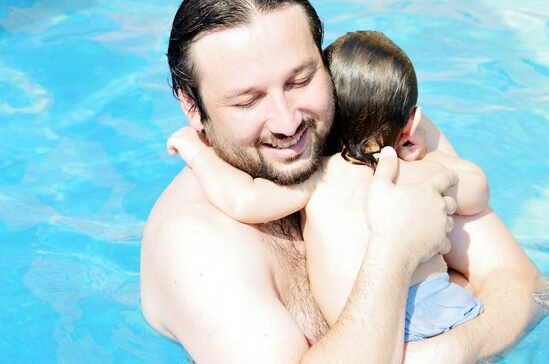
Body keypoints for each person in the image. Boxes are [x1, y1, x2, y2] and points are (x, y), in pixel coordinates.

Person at [140, 0, 549, 364]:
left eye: (300, 80)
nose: (286, 122)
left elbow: (530, 289)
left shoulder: (368, 134)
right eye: (247, 100)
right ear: (191, 107)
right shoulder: (194, 239)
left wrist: (441, 359)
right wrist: (396, 249)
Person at [167, 30, 487, 343]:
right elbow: (477, 191)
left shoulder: (318, 179)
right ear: (410, 126)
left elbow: (242, 200)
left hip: (378, 327)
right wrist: (421, 157)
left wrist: (197, 153)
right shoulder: (416, 171)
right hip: (444, 304)